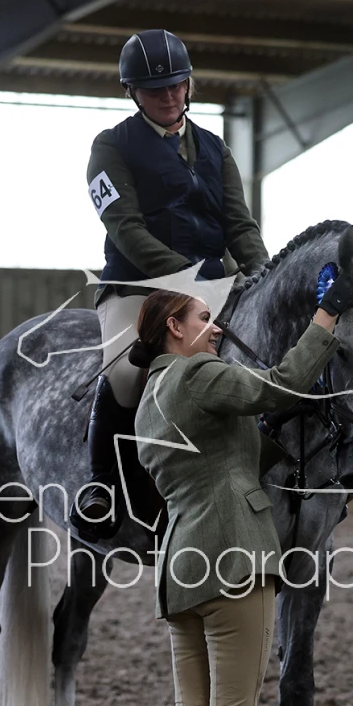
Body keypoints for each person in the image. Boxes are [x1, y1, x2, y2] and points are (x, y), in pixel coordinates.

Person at [132, 260, 353, 706]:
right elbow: (283, 383)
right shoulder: (199, 374)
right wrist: (325, 318)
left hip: (182, 566)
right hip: (234, 558)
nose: (214, 327)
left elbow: (228, 460)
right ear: (174, 328)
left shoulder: (150, 395)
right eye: (202, 318)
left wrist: (274, 443)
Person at [71, 28, 270, 543]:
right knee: (123, 373)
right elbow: (127, 229)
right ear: (132, 92)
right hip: (137, 288)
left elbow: (239, 224)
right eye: (155, 89)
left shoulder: (216, 149)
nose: (168, 96)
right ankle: (100, 484)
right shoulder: (110, 147)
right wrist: (189, 279)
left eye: (176, 85)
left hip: (212, 286)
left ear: (189, 85)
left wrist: (262, 271)